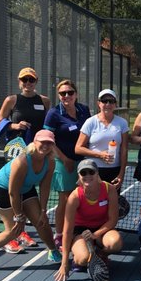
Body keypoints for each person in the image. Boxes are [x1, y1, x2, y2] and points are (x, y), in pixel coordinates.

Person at [0, 130, 60, 274]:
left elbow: (45, 187)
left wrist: (44, 211)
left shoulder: (50, 162)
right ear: (34, 141)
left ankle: (53, 250)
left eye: (49, 143)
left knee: (41, 220)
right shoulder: (22, 161)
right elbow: (13, 192)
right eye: (42, 142)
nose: (45, 145)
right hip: (3, 189)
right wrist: (19, 216)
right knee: (13, 230)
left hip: (25, 189)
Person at [0, 67, 51, 251]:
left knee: (28, 188)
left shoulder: (44, 101)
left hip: (38, 151)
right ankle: (14, 232)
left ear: (36, 81)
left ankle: (21, 230)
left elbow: (47, 124)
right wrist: (14, 125)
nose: (28, 83)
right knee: (15, 187)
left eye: (31, 80)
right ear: (19, 82)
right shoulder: (12, 100)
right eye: (24, 80)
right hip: (16, 151)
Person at [53, 160, 123, 281]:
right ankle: (80, 255)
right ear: (79, 176)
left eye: (91, 172)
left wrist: (95, 235)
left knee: (115, 243)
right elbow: (67, 231)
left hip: (102, 228)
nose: (87, 175)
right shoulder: (74, 197)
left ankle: (100, 254)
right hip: (80, 231)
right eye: (83, 173)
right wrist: (64, 264)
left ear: (97, 173)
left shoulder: (109, 189)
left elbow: (113, 220)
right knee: (82, 259)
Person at [44, 80, 91, 250]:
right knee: (65, 199)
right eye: (62, 93)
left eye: (70, 92)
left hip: (83, 161)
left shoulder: (84, 110)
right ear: (58, 96)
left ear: (76, 94)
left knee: (81, 198)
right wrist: (64, 159)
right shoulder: (53, 113)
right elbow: (49, 140)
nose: (66, 96)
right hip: (63, 162)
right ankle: (59, 234)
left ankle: (76, 230)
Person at [75, 89, 129, 190]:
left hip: (114, 170)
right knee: (92, 202)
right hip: (92, 170)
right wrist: (100, 155)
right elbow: (78, 148)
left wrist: (121, 174)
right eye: (104, 101)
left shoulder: (122, 123)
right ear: (98, 103)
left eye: (111, 101)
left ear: (115, 104)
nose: (108, 104)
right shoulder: (90, 122)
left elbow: (124, 150)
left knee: (112, 202)